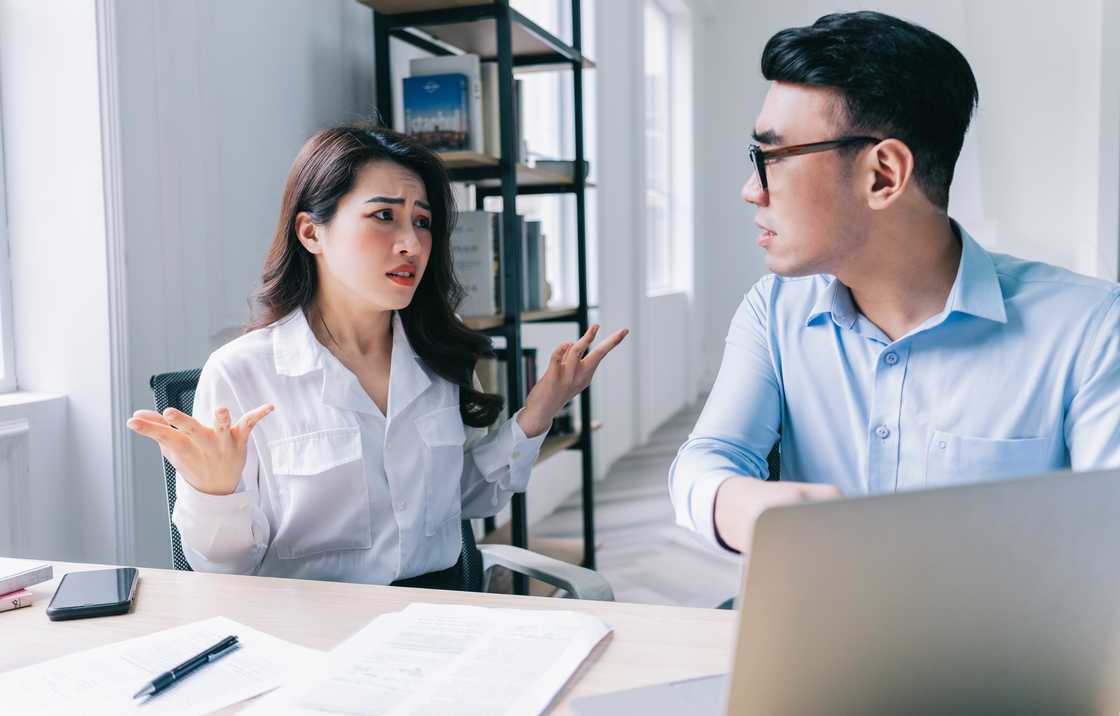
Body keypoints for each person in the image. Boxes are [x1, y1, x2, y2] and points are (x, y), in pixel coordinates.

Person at [670, 11, 1120, 555]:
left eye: (773, 158)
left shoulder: (1089, 329)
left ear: (884, 175)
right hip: (812, 633)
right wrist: (740, 503)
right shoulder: (774, 311)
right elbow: (707, 456)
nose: (751, 189)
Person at [128, 125, 627, 584]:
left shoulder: (439, 356)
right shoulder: (242, 373)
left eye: (423, 221)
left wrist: (541, 409)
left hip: (441, 616)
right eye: (383, 216)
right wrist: (218, 492)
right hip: (315, 634)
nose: (411, 243)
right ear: (311, 232)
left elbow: (466, 498)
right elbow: (226, 571)